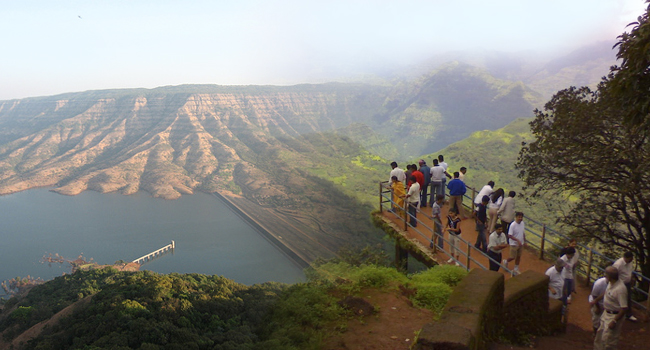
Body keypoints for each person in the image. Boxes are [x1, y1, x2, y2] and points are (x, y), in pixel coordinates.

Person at [593, 266, 628, 350]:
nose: (605, 276)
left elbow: (624, 308)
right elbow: (607, 292)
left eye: (606, 275)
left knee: (609, 341)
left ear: (610, 277)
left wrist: (614, 321)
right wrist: (596, 300)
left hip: (613, 316)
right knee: (599, 337)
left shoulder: (620, 289)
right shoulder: (611, 283)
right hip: (606, 313)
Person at [612, 251, 637, 321]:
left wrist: (631, 279)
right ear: (626, 258)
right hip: (620, 284)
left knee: (628, 298)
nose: (632, 260)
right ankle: (617, 313)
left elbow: (630, 272)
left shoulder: (630, 262)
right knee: (618, 298)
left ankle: (628, 315)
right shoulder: (618, 264)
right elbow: (613, 274)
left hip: (627, 283)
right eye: (630, 259)